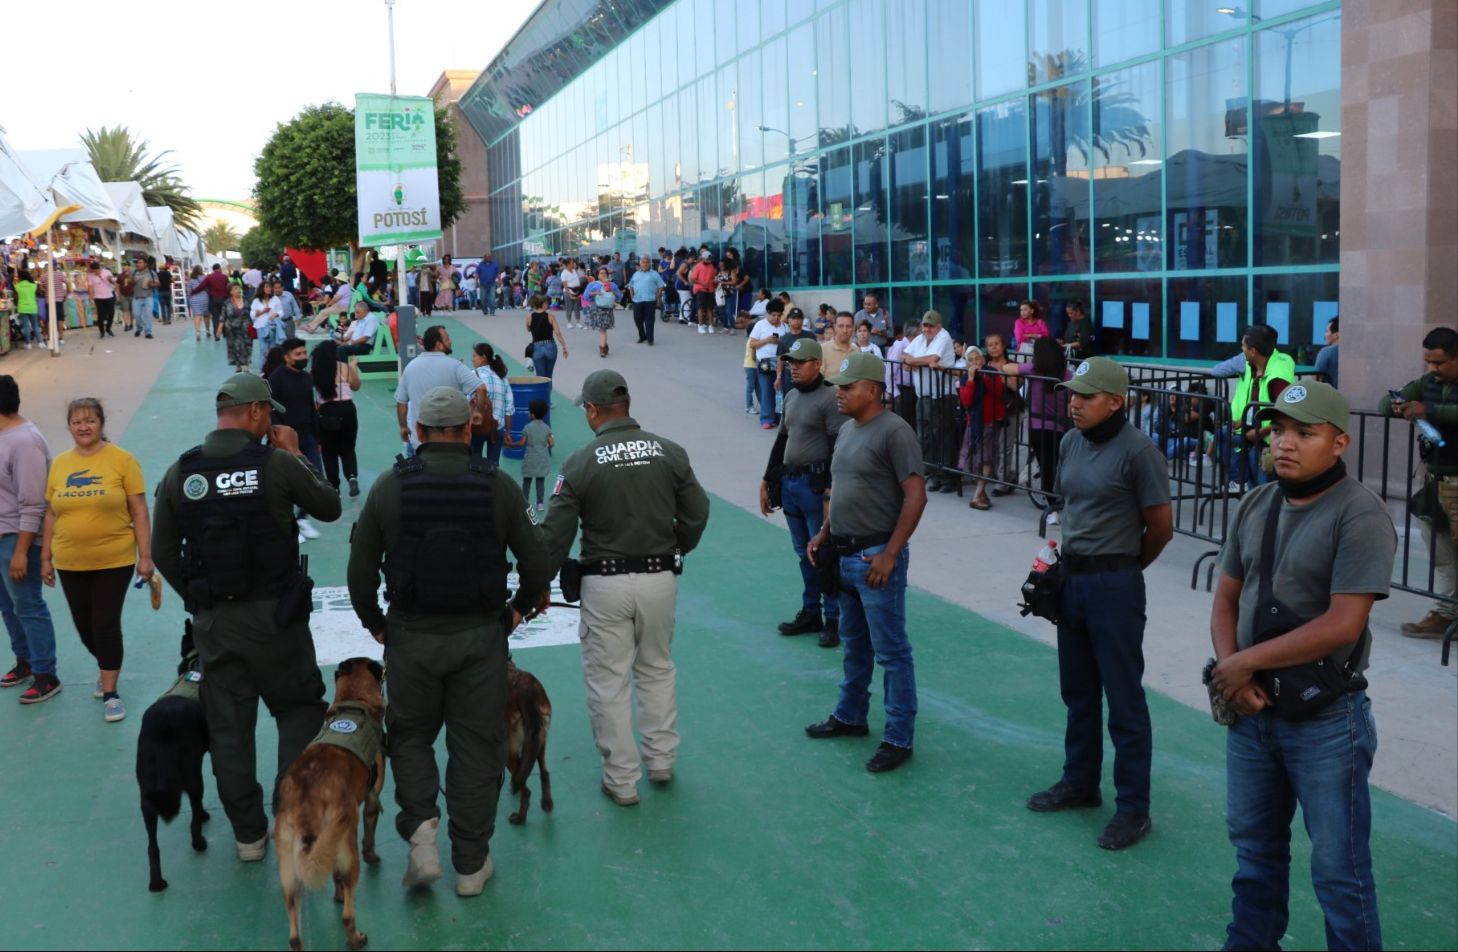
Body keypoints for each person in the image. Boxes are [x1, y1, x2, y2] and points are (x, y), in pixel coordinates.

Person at [1208, 380, 1396, 950]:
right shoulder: (1255, 503)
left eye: (1304, 433)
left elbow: (1343, 624)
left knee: (1340, 871)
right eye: (1279, 430)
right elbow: (1225, 599)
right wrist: (1232, 674)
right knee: (1254, 850)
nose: (1285, 444)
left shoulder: (1360, 514)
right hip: (1251, 714)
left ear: (1338, 443)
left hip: (1326, 723)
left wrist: (1241, 666)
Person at [347, 386, 550, 896]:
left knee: (412, 737)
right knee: (477, 746)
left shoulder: (390, 486)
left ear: (417, 432)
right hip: (481, 640)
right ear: (469, 428)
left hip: (411, 638)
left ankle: (421, 841)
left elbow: (359, 569)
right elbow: (537, 562)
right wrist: (516, 611)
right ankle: (470, 865)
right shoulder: (499, 486)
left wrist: (377, 623)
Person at [151, 373, 342, 862]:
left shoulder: (182, 472)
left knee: (230, 728)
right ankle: (288, 814)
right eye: (269, 413)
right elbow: (329, 506)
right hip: (278, 621)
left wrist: (199, 601)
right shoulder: (276, 464)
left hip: (216, 623)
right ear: (256, 412)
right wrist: (296, 451)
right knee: (298, 709)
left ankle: (248, 835)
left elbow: (162, 551)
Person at [539, 370, 711, 806]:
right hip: (660, 579)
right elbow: (697, 510)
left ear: (593, 410)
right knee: (657, 668)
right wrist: (677, 546)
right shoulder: (668, 451)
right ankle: (662, 761)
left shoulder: (580, 462)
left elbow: (556, 536)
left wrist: (537, 581)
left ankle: (621, 780)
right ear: (627, 404)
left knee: (608, 681)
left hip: (605, 583)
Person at [1026, 357, 1173, 851]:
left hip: (1115, 585)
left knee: (1124, 700)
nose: (1074, 403)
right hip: (1073, 581)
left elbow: (1161, 528)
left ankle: (1134, 808)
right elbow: (1070, 508)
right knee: (1079, 691)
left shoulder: (1139, 452)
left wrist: (1124, 570)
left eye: (1086, 396)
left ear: (1116, 400)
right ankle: (1080, 783)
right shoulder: (1070, 442)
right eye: (1072, 394)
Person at [803, 352, 927, 773]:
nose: (839, 393)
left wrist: (890, 554)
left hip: (875, 557)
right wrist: (824, 532)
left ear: (872, 390)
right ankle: (851, 716)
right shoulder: (847, 430)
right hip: (843, 554)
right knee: (855, 644)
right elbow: (839, 487)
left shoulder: (895, 432)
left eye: (848, 387)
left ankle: (898, 737)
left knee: (892, 652)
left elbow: (915, 495)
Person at [38, 398, 151, 722]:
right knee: (84, 626)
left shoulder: (122, 460)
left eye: (90, 420)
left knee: (104, 624)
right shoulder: (59, 464)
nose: (83, 426)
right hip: (70, 561)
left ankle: (111, 692)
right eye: (77, 421)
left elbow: (139, 510)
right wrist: (45, 558)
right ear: (69, 426)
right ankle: (107, 665)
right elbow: (50, 514)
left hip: (113, 559)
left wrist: (146, 557)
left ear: (101, 423)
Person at [760, 339, 847, 647]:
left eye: (800, 362)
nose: (793, 367)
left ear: (817, 364)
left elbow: (838, 447)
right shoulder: (792, 395)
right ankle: (812, 612)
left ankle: (834, 618)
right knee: (802, 553)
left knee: (822, 554)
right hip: (792, 485)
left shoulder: (831, 398)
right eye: (791, 362)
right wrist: (767, 480)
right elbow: (782, 439)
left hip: (815, 487)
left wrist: (829, 491)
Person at [1379, 326, 1458, 638]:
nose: (1432, 369)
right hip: (1435, 480)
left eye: (1439, 363)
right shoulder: (1427, 382)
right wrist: (1399, 405)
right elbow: (1386, 404)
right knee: (1442, 554)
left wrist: (1429, 410)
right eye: (1428, 362)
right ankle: (1445, 613)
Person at [0, 376, 60, 703]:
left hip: (18, 539)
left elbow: (34, 503)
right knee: (8, 606)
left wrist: (22, 551)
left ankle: (45, 673)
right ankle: (24, 661)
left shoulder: (25, 442)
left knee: (28, 605)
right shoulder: (4, 435)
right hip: (2, 536)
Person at [267, 339, 327, 546]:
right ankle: (290, 524)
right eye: (298, 354)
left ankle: (302, 518)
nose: (303, 357)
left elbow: (311, 409)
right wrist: (277, 437)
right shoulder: (277, 379)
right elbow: (270, 410)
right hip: (284, 440)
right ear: (287, 357)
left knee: (315, 479)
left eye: (304, 353)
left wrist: (317, 438)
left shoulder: (305, 378)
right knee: (287, 484)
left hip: (307, 437)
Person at [1222, 325, 1295, 494]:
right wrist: (1241, 421)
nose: (1241, 349)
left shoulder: (1277, 378)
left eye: (1243, 346)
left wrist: (1261, 432)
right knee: (1224, 434)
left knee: (1263, 490)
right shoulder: (1254, 365)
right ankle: (1238, 482)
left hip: (1267, 441)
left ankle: (1263, 511)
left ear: (1253, 351)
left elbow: (1288, 413)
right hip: (1250, 432)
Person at [396, 325, 487, 456]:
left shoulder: (410, 367)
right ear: (439, 344)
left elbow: (401, 403)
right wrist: (479, 412)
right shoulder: (456, 366)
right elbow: (481, 388)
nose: (450, 341)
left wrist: (403, 427)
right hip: (453, 444)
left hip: (420, 442)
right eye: (447, 338)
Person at [1014, 337, 1073, 522]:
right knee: (1057, 465)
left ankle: (1053, 509)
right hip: (1060, 426)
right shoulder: (1068, 375)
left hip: (1037, 426)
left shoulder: (1034, 370)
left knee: (1048, 467)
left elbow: (1009, 368)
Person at [901, 311, 959, 493]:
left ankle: (948, 477)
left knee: (943, 436)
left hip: (942, 395)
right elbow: (904, 356)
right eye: (925, 325)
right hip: (924, 395)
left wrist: (913, 362)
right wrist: (915, 361)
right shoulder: (920, 339)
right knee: (925, 436)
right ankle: (934, 474)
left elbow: (932, 359)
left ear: (939, 326)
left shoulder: (944, 337)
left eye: (930, 326)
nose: (927, 329)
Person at [311, 340, 362, 497]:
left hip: (327, 411)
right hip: (347, 410)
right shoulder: (344, 367)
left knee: (329, 452)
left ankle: (334, 487)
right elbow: (356, 386)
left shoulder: (315, 371)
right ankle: (352, 476)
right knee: (347, 448)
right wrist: (353, 367)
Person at [506, 400, 554, 512]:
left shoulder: (527, 427)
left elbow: (522, 443)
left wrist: (510, 445)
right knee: (540, 481)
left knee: (527, 481)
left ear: (532, 414)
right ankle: (540, 503)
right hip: (542, 458)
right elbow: (551, 444)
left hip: (530, 458)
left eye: (529, 412)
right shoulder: (547, 428)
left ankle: (525, 502)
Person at [470, 343, 514, 464]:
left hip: (477, 426)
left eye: (474, 356)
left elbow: (466, 400)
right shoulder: (502, 377)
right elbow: (509, 408)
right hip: (497, 428)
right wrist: (508, 432)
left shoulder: (473, 375)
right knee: (493, 467)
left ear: (483, 357)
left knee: (474, 464)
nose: (472, 359)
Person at [749, 300, 788, 429]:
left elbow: (788, 344)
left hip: (780, 362)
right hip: (765, 363)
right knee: (766, 390)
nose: (776, 318)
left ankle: (777, 418)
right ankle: (766, 418)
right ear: (768, 314)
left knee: (779, 392)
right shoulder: (760, 325)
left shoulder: (785, 327)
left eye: (779, 315)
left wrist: (780, 342)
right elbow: (752, 344)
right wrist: (766, 340)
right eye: (773, 315)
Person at [525, 295, 568, 378]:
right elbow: (558, 333)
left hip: (537, 347)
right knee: (549, 376)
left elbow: (528, 329)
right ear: (543, 304)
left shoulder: (529, 317)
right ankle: (548, 390)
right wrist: (564, 347)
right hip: (550, 346)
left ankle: (541, 390)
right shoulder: (550, 317)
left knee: (540, 377)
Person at [582, 267, 620, 359]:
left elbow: (619, 296)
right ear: (598, 275)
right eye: (601, 273)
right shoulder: (593, 284)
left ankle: (603, 347)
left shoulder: (612, 284)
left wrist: (612, 291)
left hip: (607, 309)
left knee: (603, 328)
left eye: (605, 273)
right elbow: (585, 296)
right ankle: (603, 347)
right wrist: (595, 293)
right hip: (597, 308)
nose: (603, 274)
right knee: (602, 329)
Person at [628, 256, 665, 345]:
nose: (645, 264)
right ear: (640, 264)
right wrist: (632, 296)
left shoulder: (654, 274)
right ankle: (642, 336)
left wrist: (657, 296)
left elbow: (660, 285)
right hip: (637, 300)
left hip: (650, 300)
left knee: (649, 320)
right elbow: (631, 286)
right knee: (637, 319)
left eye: (646, 262)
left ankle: (650, 339)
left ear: (649, 264)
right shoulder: (636, 274)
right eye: (643, 262)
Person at [222, 285, 253, 373]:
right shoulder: (227, 302)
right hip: (232, 329)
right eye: (235, 289)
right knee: (237, 347)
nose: (238, 290)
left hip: (246, 328)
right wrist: (220, 329)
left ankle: (244, 364)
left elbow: (252, 312)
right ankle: (241, 365)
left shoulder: (247, 301)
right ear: (231, 292)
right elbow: (223, 316)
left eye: (239, 288)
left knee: (246, 346)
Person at [250, 284, 282, 366]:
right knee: (263, 348)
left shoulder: (275, 299)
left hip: (273, 326)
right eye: (266, 287)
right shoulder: (257, 300)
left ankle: (273, 368)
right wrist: (262, 312)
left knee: (273, 349)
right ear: (262, 289)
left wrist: (276, 314)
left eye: (269, 286)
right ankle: (263, 369)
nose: (269, 288)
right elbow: (252, 314)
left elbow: (281, 311)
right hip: (261, 327)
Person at [87, 260, 118, 339]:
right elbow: (90, 287)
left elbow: (113, 283)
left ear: (99, 268)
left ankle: (108, 328)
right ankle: (102, 331)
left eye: (96, 270)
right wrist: (91, 297)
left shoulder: (107, 272)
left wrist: (110, 279)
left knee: (111, 313)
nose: (95, 272)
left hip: (109, 296)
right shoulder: (90, 276)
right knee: (101, 316)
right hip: (98, 298)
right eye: (93, 271)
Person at [690, 250, 718, 335]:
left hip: (710, 289)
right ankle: (700, 325)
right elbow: (693, 279)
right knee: (701, 308)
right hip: (700, 289)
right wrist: (702, 283)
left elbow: (712, 277)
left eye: (709, 259)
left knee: (710, 308)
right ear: (703, 258)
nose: (708, 261)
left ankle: (710, 326)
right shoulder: (698, 266)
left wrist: (715, 281)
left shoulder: (711, 266)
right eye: (707, 259)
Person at [130, 256, 158, 339]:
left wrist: (150, 284)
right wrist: (132, 281)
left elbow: (158, 283)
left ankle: (148, 331)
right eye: (138, 263)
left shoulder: (151, 273)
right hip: (137, 297)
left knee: (148, 315)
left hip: (148, 297)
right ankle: (139, 327)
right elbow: (128, 282)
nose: (138, 264)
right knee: (136, 314)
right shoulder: (134, 272)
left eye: (140, 263)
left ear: (145, 264)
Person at [13, 269, 39, 348]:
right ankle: (40, 342)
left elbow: (15, 297)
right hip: (32, 307)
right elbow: (36, 296)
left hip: (22, 308)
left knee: (26, 326)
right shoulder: (34, 285)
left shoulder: (17, 286)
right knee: (35, 326)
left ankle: (28, 343)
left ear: (20, 277)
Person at [1313, 315, 1340, 389]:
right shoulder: (1351, 353)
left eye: (1326, 331)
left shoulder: (1326, 352)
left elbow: (1316, 378)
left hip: (1329, 396)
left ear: (1336, 335)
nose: (1325, 335)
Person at [186, 266, 209, 342]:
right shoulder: (205, 278)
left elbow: (189, 292)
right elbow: (208, 289)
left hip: (194, 299)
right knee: (206, 315)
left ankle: (198, 333)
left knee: (197, 315)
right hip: (205, 298)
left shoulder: (191, 280)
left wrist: (189, 300)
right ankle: (207, 331)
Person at [561, 258, 584, 329]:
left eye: (573, 263)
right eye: (572, 263)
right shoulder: (564, 273)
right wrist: (570, 294)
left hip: (576, 290)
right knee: (569, 307)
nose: (573, 264)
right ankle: (569, 322)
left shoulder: (574, 271)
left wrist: (579, 292)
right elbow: (565, 285)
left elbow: (577, 281)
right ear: (568, 264)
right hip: (568, 291)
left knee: (577, 307)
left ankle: (578, 322)